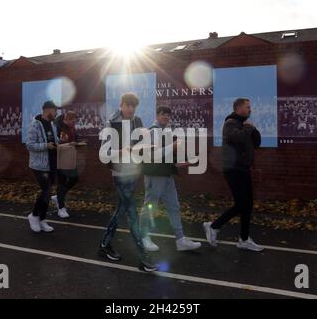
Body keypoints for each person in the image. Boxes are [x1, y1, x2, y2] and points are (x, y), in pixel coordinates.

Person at [99, 93, 158, 272]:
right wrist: (123, 150)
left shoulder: (138, 121)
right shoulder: (110, 124)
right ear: (121, 104)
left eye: (134, 106)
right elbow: (104, 154)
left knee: (120, 211)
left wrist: (147, 148)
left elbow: (140, 145)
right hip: (120, 174)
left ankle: (104, 245)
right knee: (132, 214)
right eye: (128, 105)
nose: (131, 109)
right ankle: (145, 260)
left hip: (134, 172)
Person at [203, 98, 264, 252]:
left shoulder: (245, 124)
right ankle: (214, 226)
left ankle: (244, 239)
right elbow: (237, 139)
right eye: (247, 107)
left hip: (243, 168)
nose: (250, 109)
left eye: (250, 107)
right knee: (242, 204)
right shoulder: (230, 123)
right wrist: (248, 128)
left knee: (248, 204)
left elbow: (256, 143)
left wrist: (253, 129)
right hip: (233, 169)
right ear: (238, 108)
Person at [140, 106, 201, 252]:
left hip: (167, 176)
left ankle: (180, 239)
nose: (166, 117)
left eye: (168, 114)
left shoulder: (167, 133)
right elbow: (152, 155)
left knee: (174, 206)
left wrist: (189, 161)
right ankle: (143, 237)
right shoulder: (153, 131)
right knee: (150, 206)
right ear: (157, 115)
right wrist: (172, 147)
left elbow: (171, 160)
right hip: (154, 176)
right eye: (163, 114)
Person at [26, 100, 59, 233]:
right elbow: (29, 145)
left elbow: (53, 141)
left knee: (48, 192)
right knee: (45, 191)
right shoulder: (35, 125)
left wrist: (59, 143)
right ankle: (33, 215)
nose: (56, 113)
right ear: (48, 110)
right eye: (55, 111)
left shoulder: (52, 125)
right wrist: (46, 146)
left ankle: (42, 219)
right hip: (39, 165)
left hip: (51, 163)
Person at [51, 111, 80, 218]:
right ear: (66, 119)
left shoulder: (72, 128)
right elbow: (56, 144)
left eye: (75, 121)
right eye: (73, 121)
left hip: (70, 156)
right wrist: (68, 144)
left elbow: (75, 138)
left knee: (75, 178)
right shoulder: (58, 128)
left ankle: (58, 196)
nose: (74, 123)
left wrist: (77, 142)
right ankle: (61, 208)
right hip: (60, 157)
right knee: (62, 182)